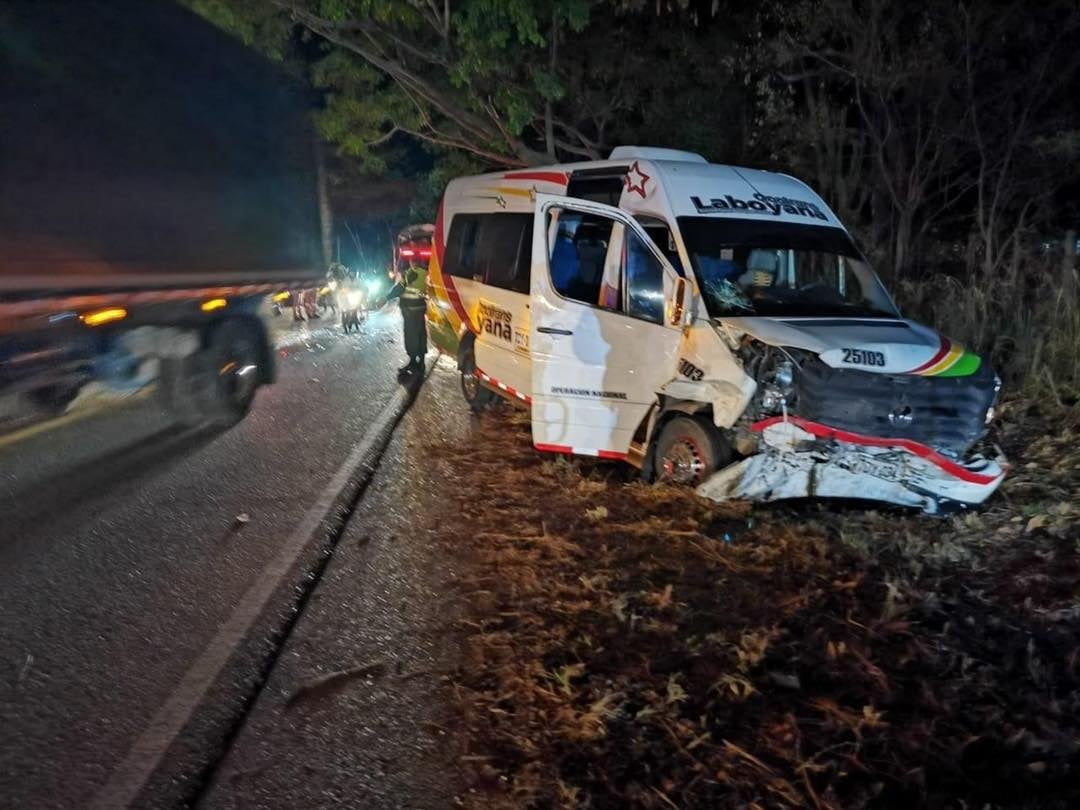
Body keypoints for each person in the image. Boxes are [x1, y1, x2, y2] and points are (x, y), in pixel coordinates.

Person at [389, 258, 428, 376]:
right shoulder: (426, 274)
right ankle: (421, 362)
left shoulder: (411, 273)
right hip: (420, 310)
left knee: (411, 336)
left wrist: (386, 297)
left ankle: (412, 362)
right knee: (421, 334)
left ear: (412, 261)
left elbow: (400, 288)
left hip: (410, 311)